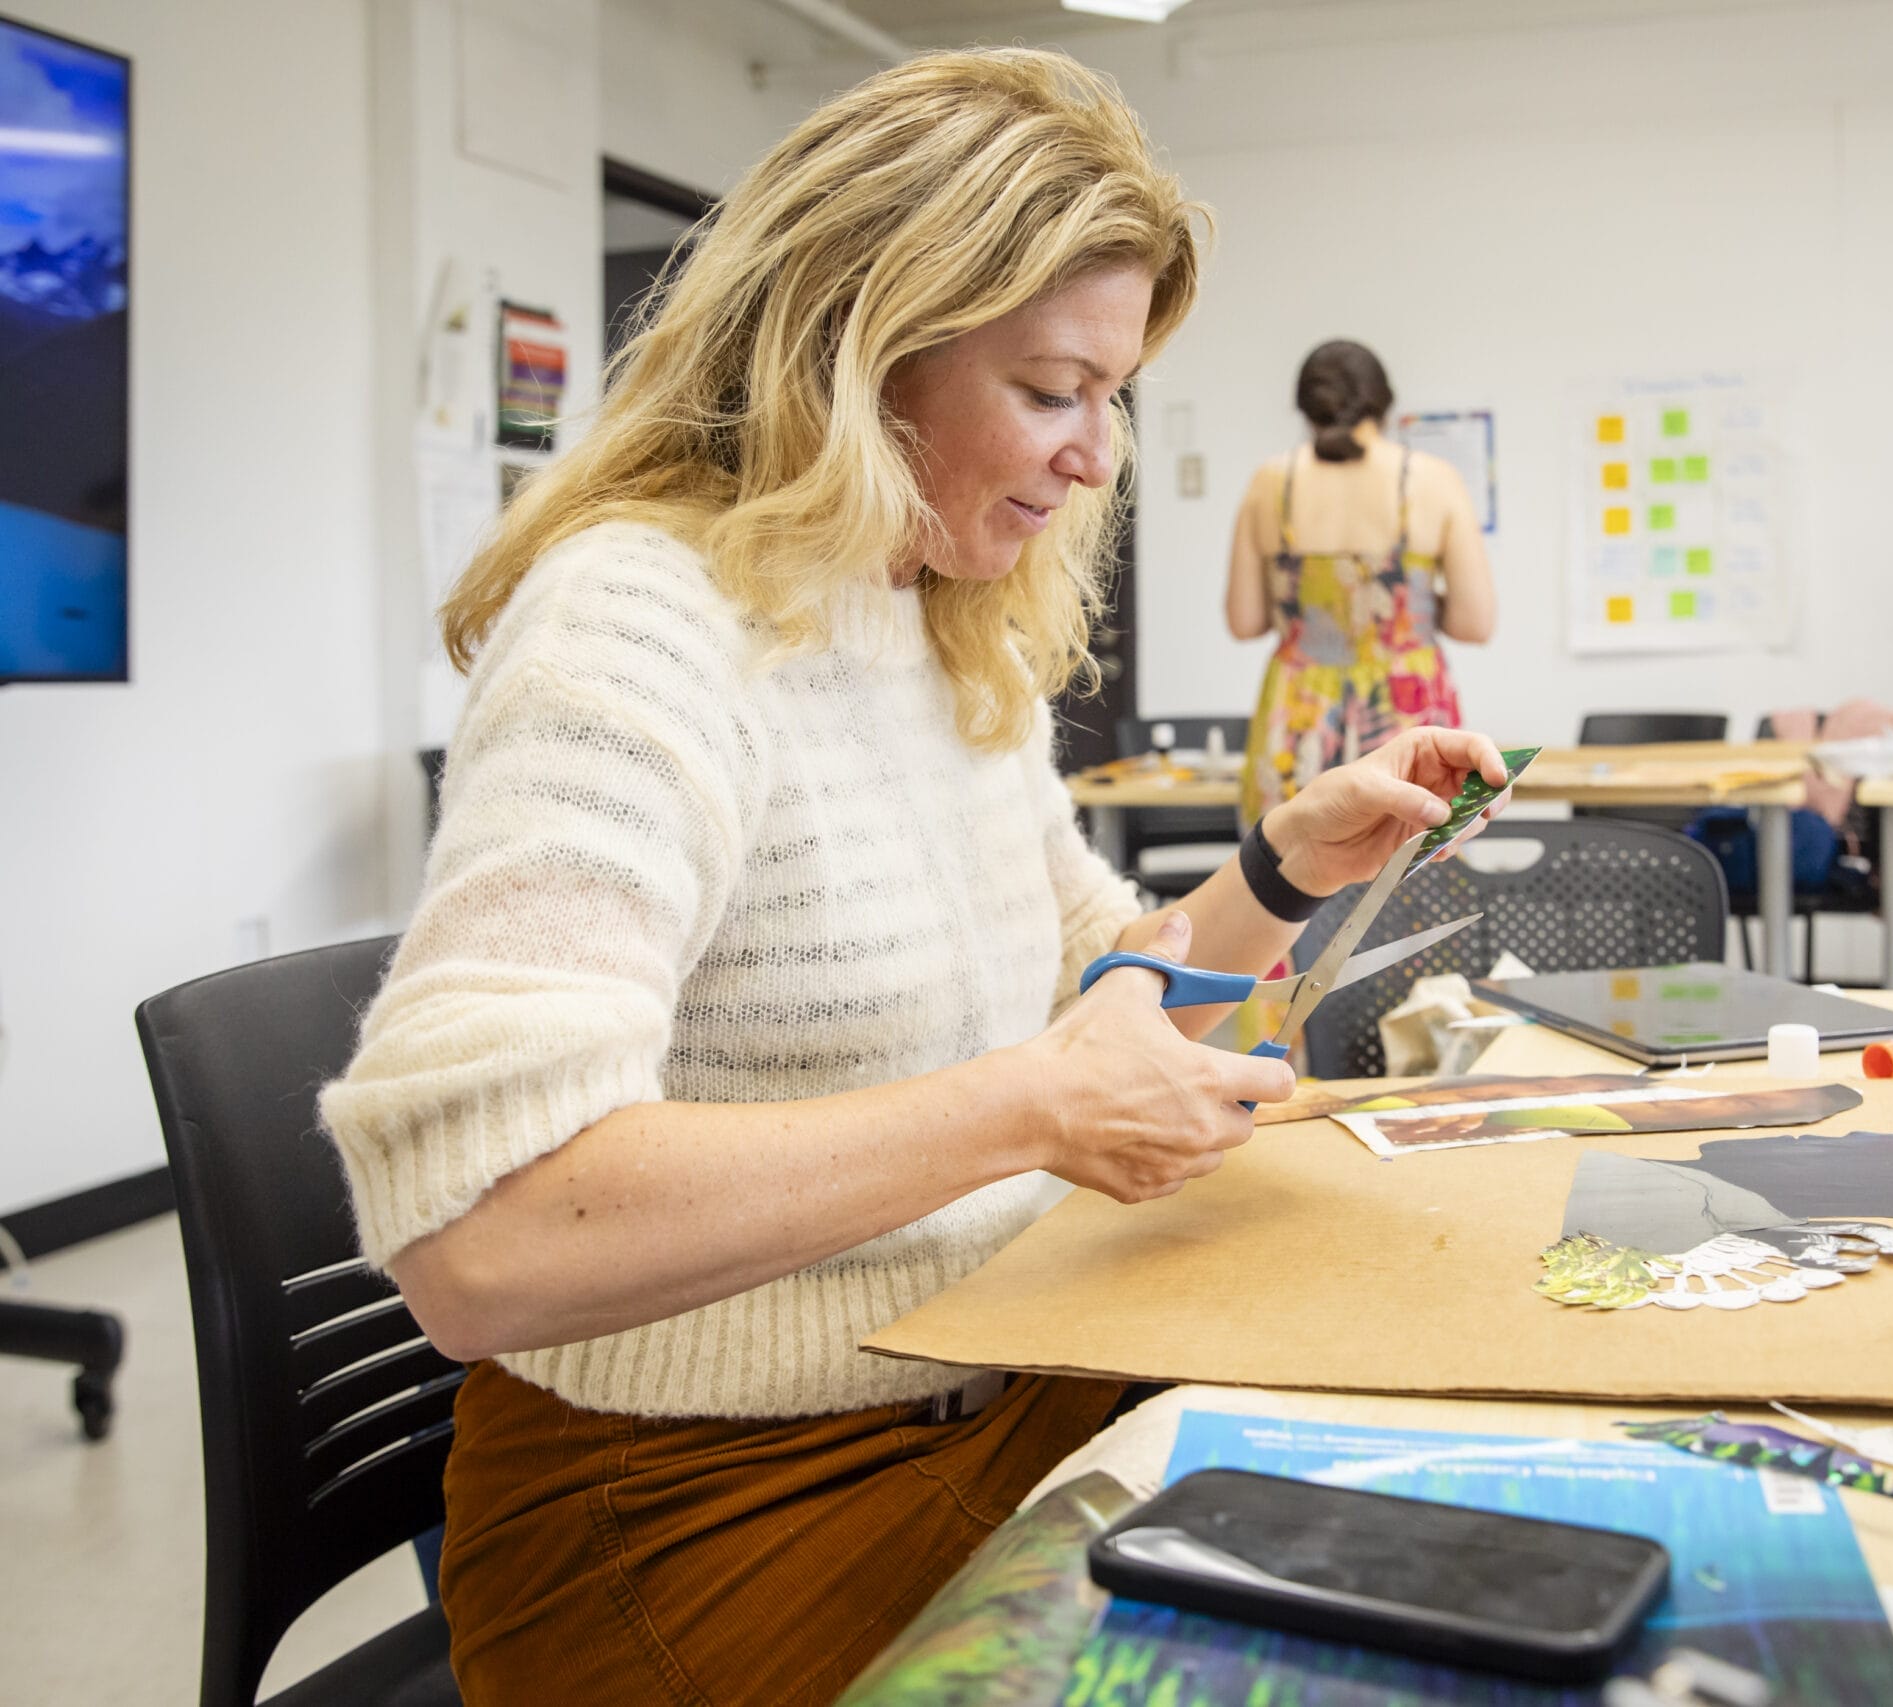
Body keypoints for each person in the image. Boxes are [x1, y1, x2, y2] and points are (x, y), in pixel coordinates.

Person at [320, 52, 1511, 1704]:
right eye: (1053, 390)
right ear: (856, 348)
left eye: (1112, 397)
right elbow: (485, 1236)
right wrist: (1026, 1108)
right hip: (697, 1509)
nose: (1095, 458)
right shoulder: (638, 625)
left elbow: (1105, 989)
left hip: (992, 1373)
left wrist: (1287, 862)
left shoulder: (937, 620)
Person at [1227, 340, 1497, 825]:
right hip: (1405, 715)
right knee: (1409, 855)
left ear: (1307, 408)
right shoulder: (1433, 480)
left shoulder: (1269, 483)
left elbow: (1244, 621)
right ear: (1383, 403)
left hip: (1300, 720)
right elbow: (1475, 624)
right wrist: (1405, 604)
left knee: (1293, 861)